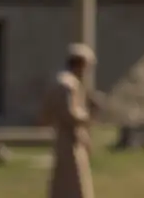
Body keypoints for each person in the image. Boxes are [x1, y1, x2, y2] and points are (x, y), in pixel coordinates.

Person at [41, 43, 96, 198]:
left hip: (65, 136)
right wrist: (87, 115)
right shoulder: (68, 84)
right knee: (73, 181)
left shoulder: (61, 81)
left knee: (65, 179)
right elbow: (70, 113)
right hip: (70, 138)